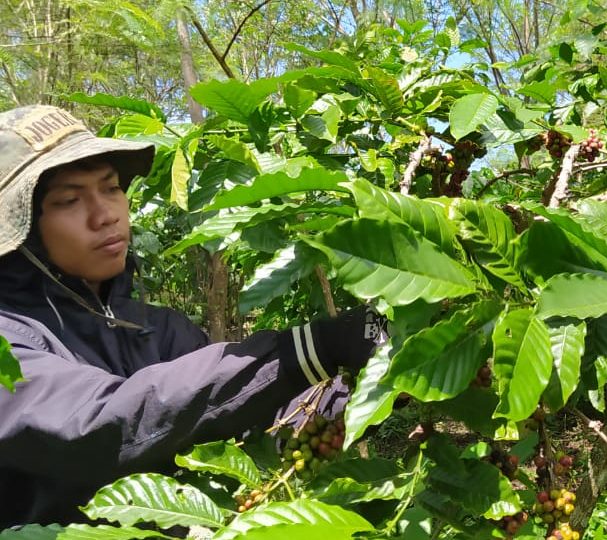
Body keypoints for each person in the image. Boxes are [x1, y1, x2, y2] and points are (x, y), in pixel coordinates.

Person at [0, 105, 382, 527]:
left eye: (110, 188)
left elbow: (246, 419)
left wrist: (369, 385)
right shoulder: (7, 341)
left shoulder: (159, 329)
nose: (105, 215)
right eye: (69, 200)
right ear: (21, 232)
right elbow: (99, 426)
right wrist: (313, 347)